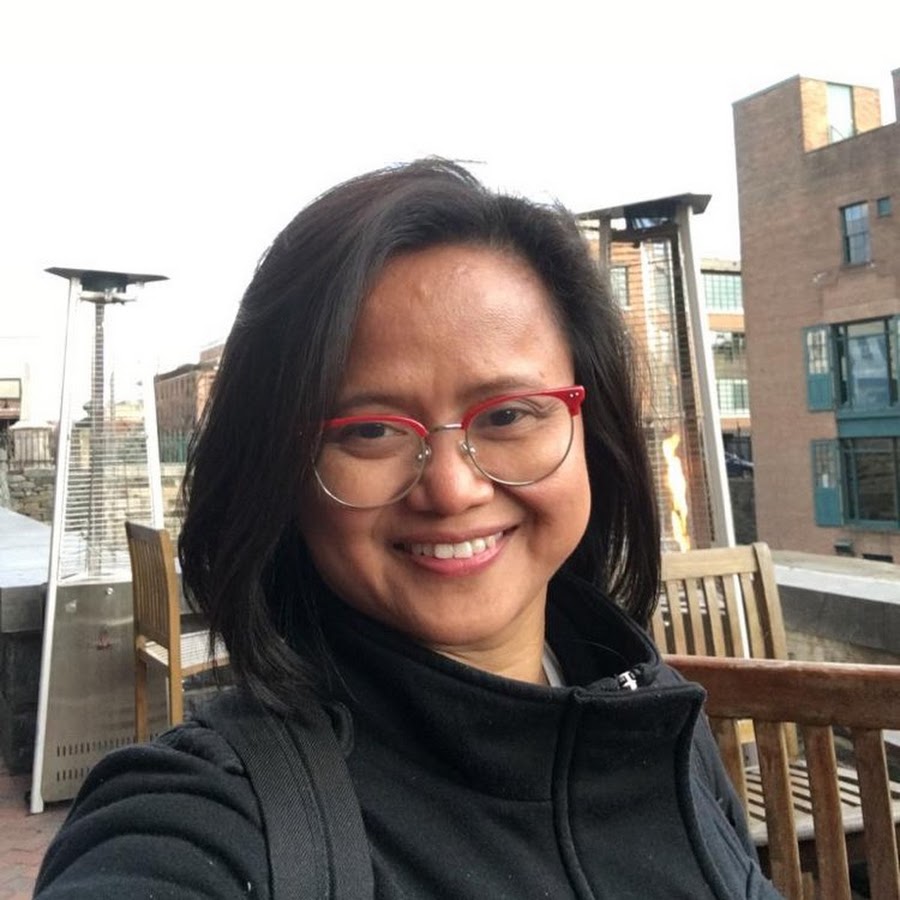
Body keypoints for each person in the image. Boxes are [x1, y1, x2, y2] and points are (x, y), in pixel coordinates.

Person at [35, 159, 781, 899]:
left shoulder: (657, 723)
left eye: (508, 414)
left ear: (595, 431)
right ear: (281, 473)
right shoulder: (213, 816)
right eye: (369, 431)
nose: (452, 489)